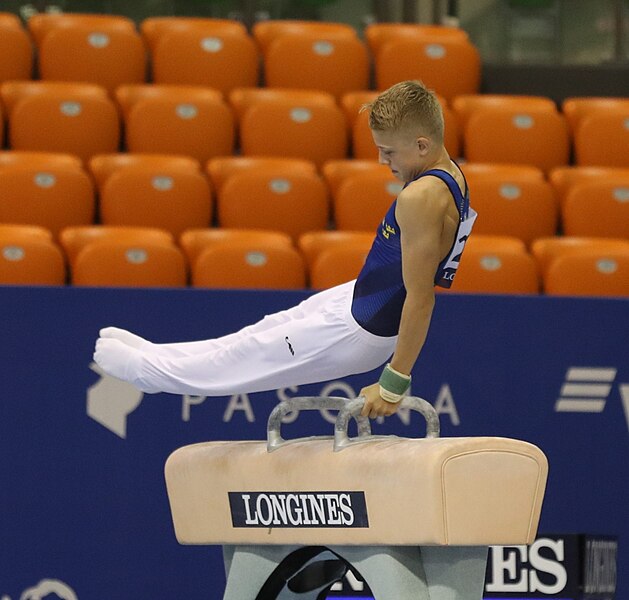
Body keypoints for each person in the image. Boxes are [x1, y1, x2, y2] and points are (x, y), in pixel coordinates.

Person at [93, 80, 477, 419]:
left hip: (362, 329)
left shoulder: (422, 195)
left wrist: (394, 382)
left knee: (247, 361)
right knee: (256, 335)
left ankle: (147, 373)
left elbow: (421, 297)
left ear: (422, 144)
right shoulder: (452, 175)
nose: (382, 161)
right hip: (360, 296)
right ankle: (158, 355)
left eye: (389, 152)